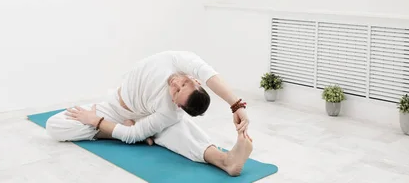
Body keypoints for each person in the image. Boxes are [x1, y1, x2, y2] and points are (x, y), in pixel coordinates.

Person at [45, 51, 253, 176]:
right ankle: (131, 132)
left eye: (177, 92)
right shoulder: (179, 60)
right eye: (183, 83)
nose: (175, 84)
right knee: (55, 126)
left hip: (142, 119)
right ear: (195, 80)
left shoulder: (169, 112)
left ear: (176, 103)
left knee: (179, 130)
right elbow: (209, 73)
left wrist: (97, 122)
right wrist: (236, 105)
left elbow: (131, 135)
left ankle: (225, 160)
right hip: (115, 109)